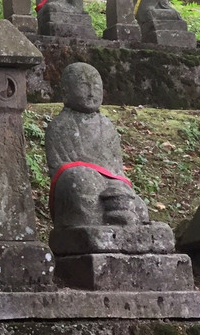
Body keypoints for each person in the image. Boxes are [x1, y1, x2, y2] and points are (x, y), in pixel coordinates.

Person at [45, 63, 149, 229]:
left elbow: (116, 169)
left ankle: (122, 221)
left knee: (139, 205)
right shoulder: (59, 126)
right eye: (83, 86)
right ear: (66, 92)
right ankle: (98, 223)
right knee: (80, 179)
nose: (91, 93)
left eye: (96, 86)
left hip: (109, 184)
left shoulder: (107, 126)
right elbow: (59, 169)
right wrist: (89, 176)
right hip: (82, 184)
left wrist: (117, 187)